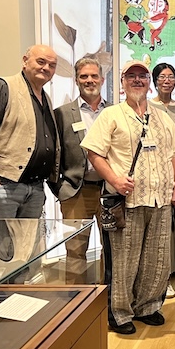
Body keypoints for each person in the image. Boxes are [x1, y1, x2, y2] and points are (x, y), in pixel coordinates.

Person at [81, 60, 175, 335]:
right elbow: (94, 152)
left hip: (160, 199)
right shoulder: (111, 115)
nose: (137, 80)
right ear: (122, 81)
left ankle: (148, 306)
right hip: (126, 200)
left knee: (157, 258)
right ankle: (119, 313)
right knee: (124, 260)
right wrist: (114, 179)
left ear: (148, 82)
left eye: (142, 76)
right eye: (132, 76)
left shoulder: (162, 116)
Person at [0, 44, 60, 219]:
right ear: (25, 61)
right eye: (41, 61)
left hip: (35, 188)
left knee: (28, 246)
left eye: (51, 65)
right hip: (3, 185)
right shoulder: (2, 88)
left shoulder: (45, 98)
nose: (46, 68)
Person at [51, 57, 111, 284]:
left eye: (94, 76)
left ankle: (109, 301)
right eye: (84, 76)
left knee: (112, 250)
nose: (89, 80)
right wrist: (59, 188)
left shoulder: (115, 112)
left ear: (102, 79)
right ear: (76, 80)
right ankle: (74, 303)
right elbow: (55, 154)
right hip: (76, 192)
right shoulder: (62, 114)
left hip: (110, 193)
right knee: (75, 251)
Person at [148, 62, 175, 298]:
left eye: (171, 76)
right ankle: (158, 277)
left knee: (174, 225)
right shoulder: (147, 106)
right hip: (153, 172)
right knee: (157, 224)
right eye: (162, 76)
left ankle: (171, 273)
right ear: (155, 80)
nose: (167, 80)